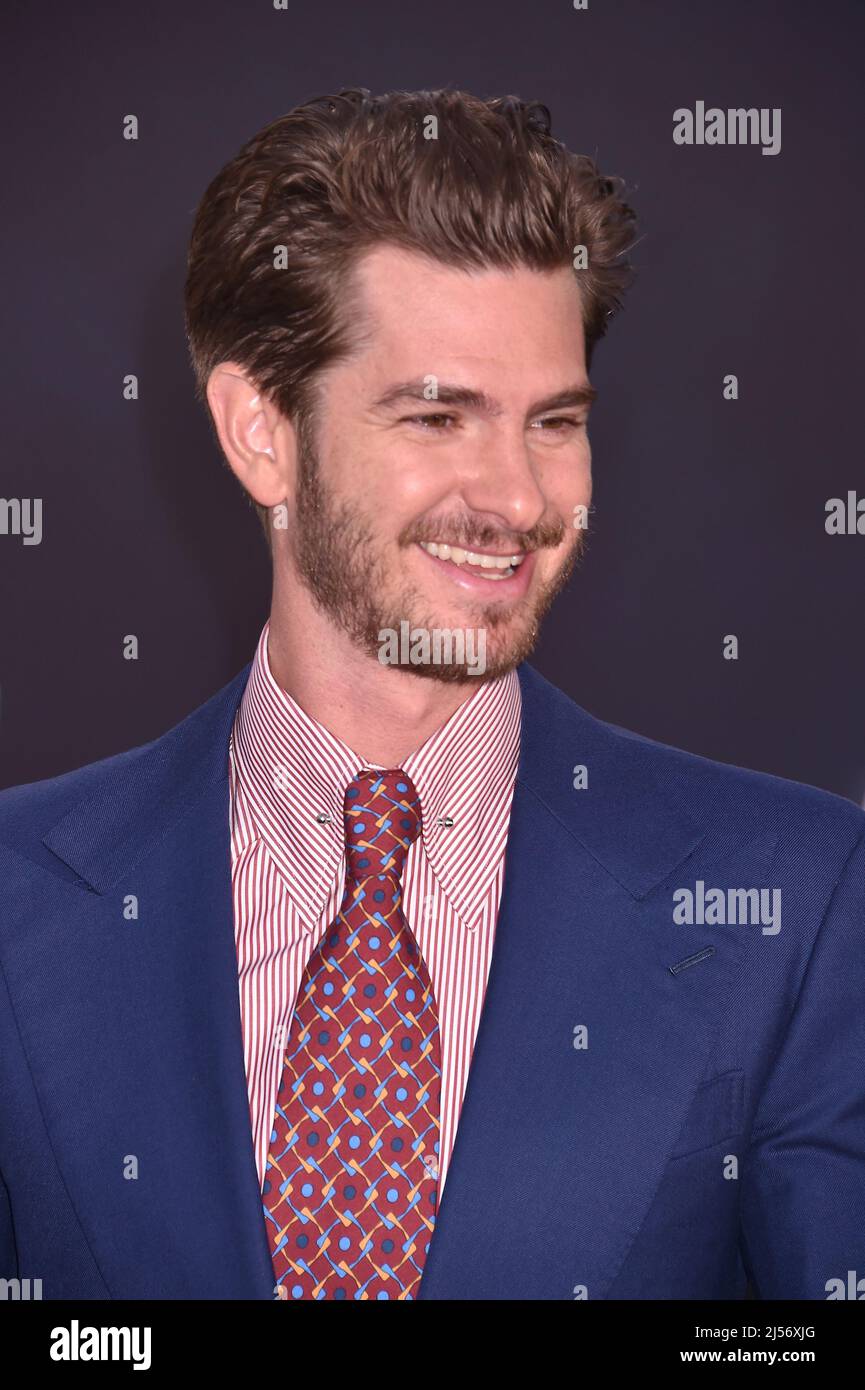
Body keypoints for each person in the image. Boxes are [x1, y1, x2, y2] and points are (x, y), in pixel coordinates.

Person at [0, 87, 862, 1302]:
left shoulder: (804, 898)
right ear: (262, 434)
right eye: (437, 414)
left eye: (552, 422)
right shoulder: (17, 901)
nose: (515, 497)